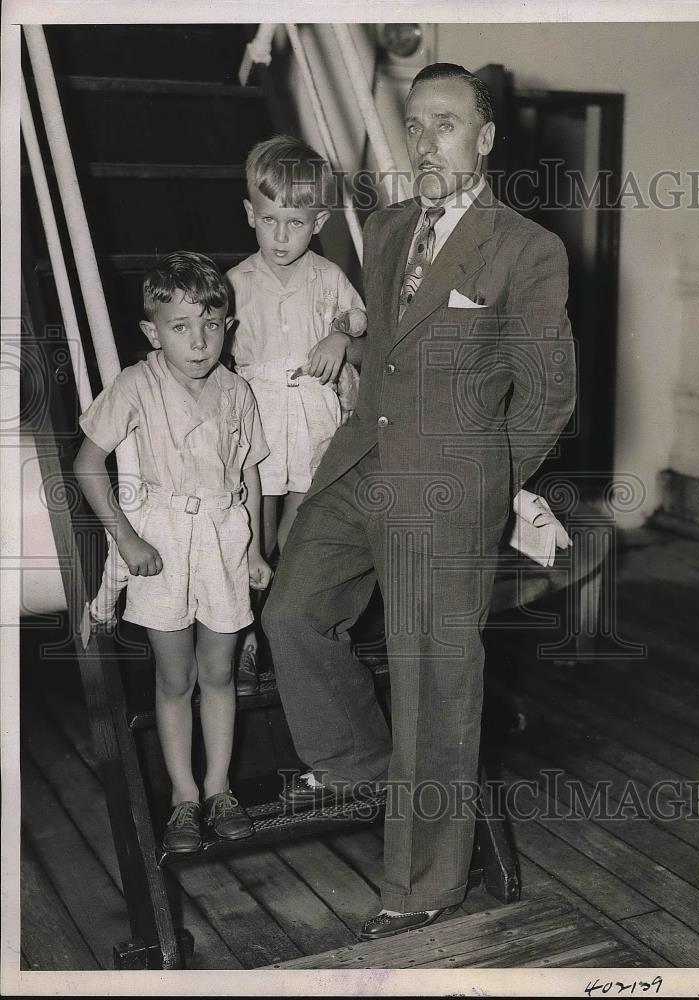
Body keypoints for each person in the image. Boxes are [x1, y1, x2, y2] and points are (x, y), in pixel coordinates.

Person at [261, 63, 577, 940]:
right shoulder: (388, 227)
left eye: (445, 123)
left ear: (483, 138)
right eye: (413, 123)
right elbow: (385, 350)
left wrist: (483, 485)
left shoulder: (525, 247)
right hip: (363, 460)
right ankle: (367, 764)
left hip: (450, 483)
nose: (424, 139)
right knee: (291, 612)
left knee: (435, 676)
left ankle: (425, 881)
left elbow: (549, 395)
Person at [74, 252, 272, 853]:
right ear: (152, 332)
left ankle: (219, 788)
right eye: (180, 327)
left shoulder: (238, 391)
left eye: (211, 324)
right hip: (162, 540)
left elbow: (252, 476)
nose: (198, 341)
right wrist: (126, 538)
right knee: (175, 677)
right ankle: (183, 796)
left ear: (228, 327)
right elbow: (86, 466)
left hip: (222, 538)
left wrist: (257, 548)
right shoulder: (138, 383)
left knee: (218, 675)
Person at [226, 135, 367, 691]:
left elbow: (358, 321)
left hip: (311, 414)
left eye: (296, 221)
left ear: (319, 221)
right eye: (269, 220)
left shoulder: (328, 277)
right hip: (258, 417)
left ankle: (289, 630)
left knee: (301, 533)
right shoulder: (234, 283)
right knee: (252, 537)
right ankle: (247, 634)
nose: (281, 235)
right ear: (250, 215)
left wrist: (336, 334)